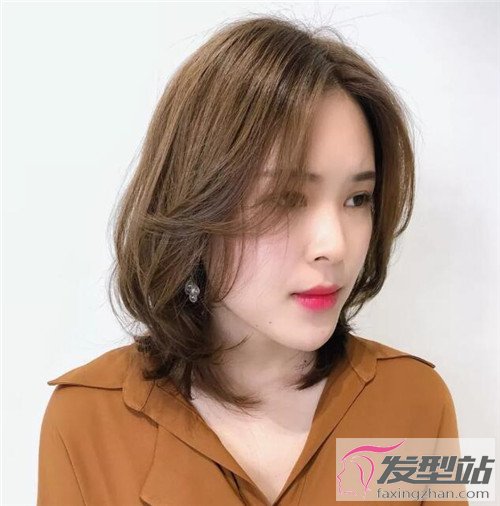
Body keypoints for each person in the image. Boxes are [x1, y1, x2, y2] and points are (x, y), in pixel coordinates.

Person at [37, 14, 468, 506]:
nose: (334, 245)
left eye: (357, 199)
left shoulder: (413, 403)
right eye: (286, 199)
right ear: (196, 203)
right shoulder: (88, 421)